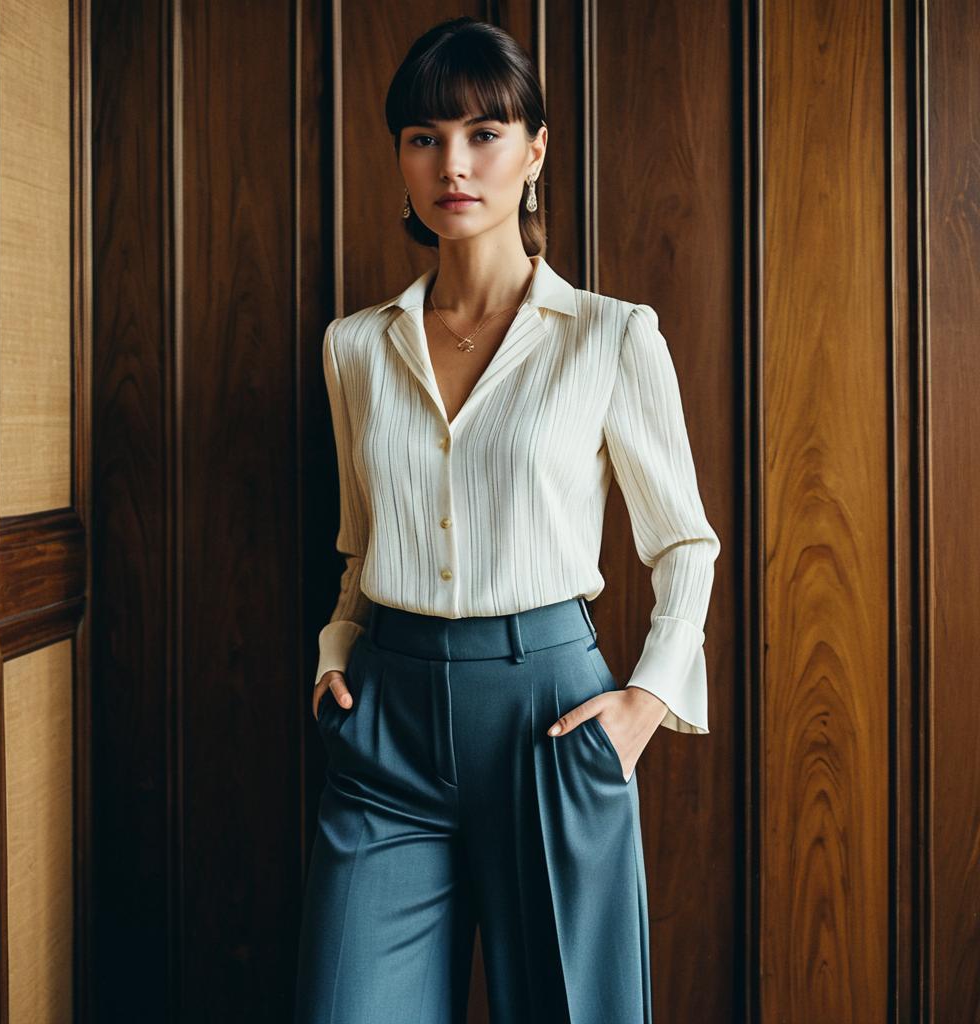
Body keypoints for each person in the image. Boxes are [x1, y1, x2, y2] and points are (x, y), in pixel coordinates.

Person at [294, 15, 720, 1024]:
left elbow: (685, 543)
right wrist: (332, 655)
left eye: (484, 133)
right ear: (399, 158)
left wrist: (643, 704)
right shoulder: (355, 348)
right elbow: (362, 541)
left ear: (534, 153)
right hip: (384, 727)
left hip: (551, 718)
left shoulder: (612, 336)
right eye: (424, 136)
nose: (453, 162)